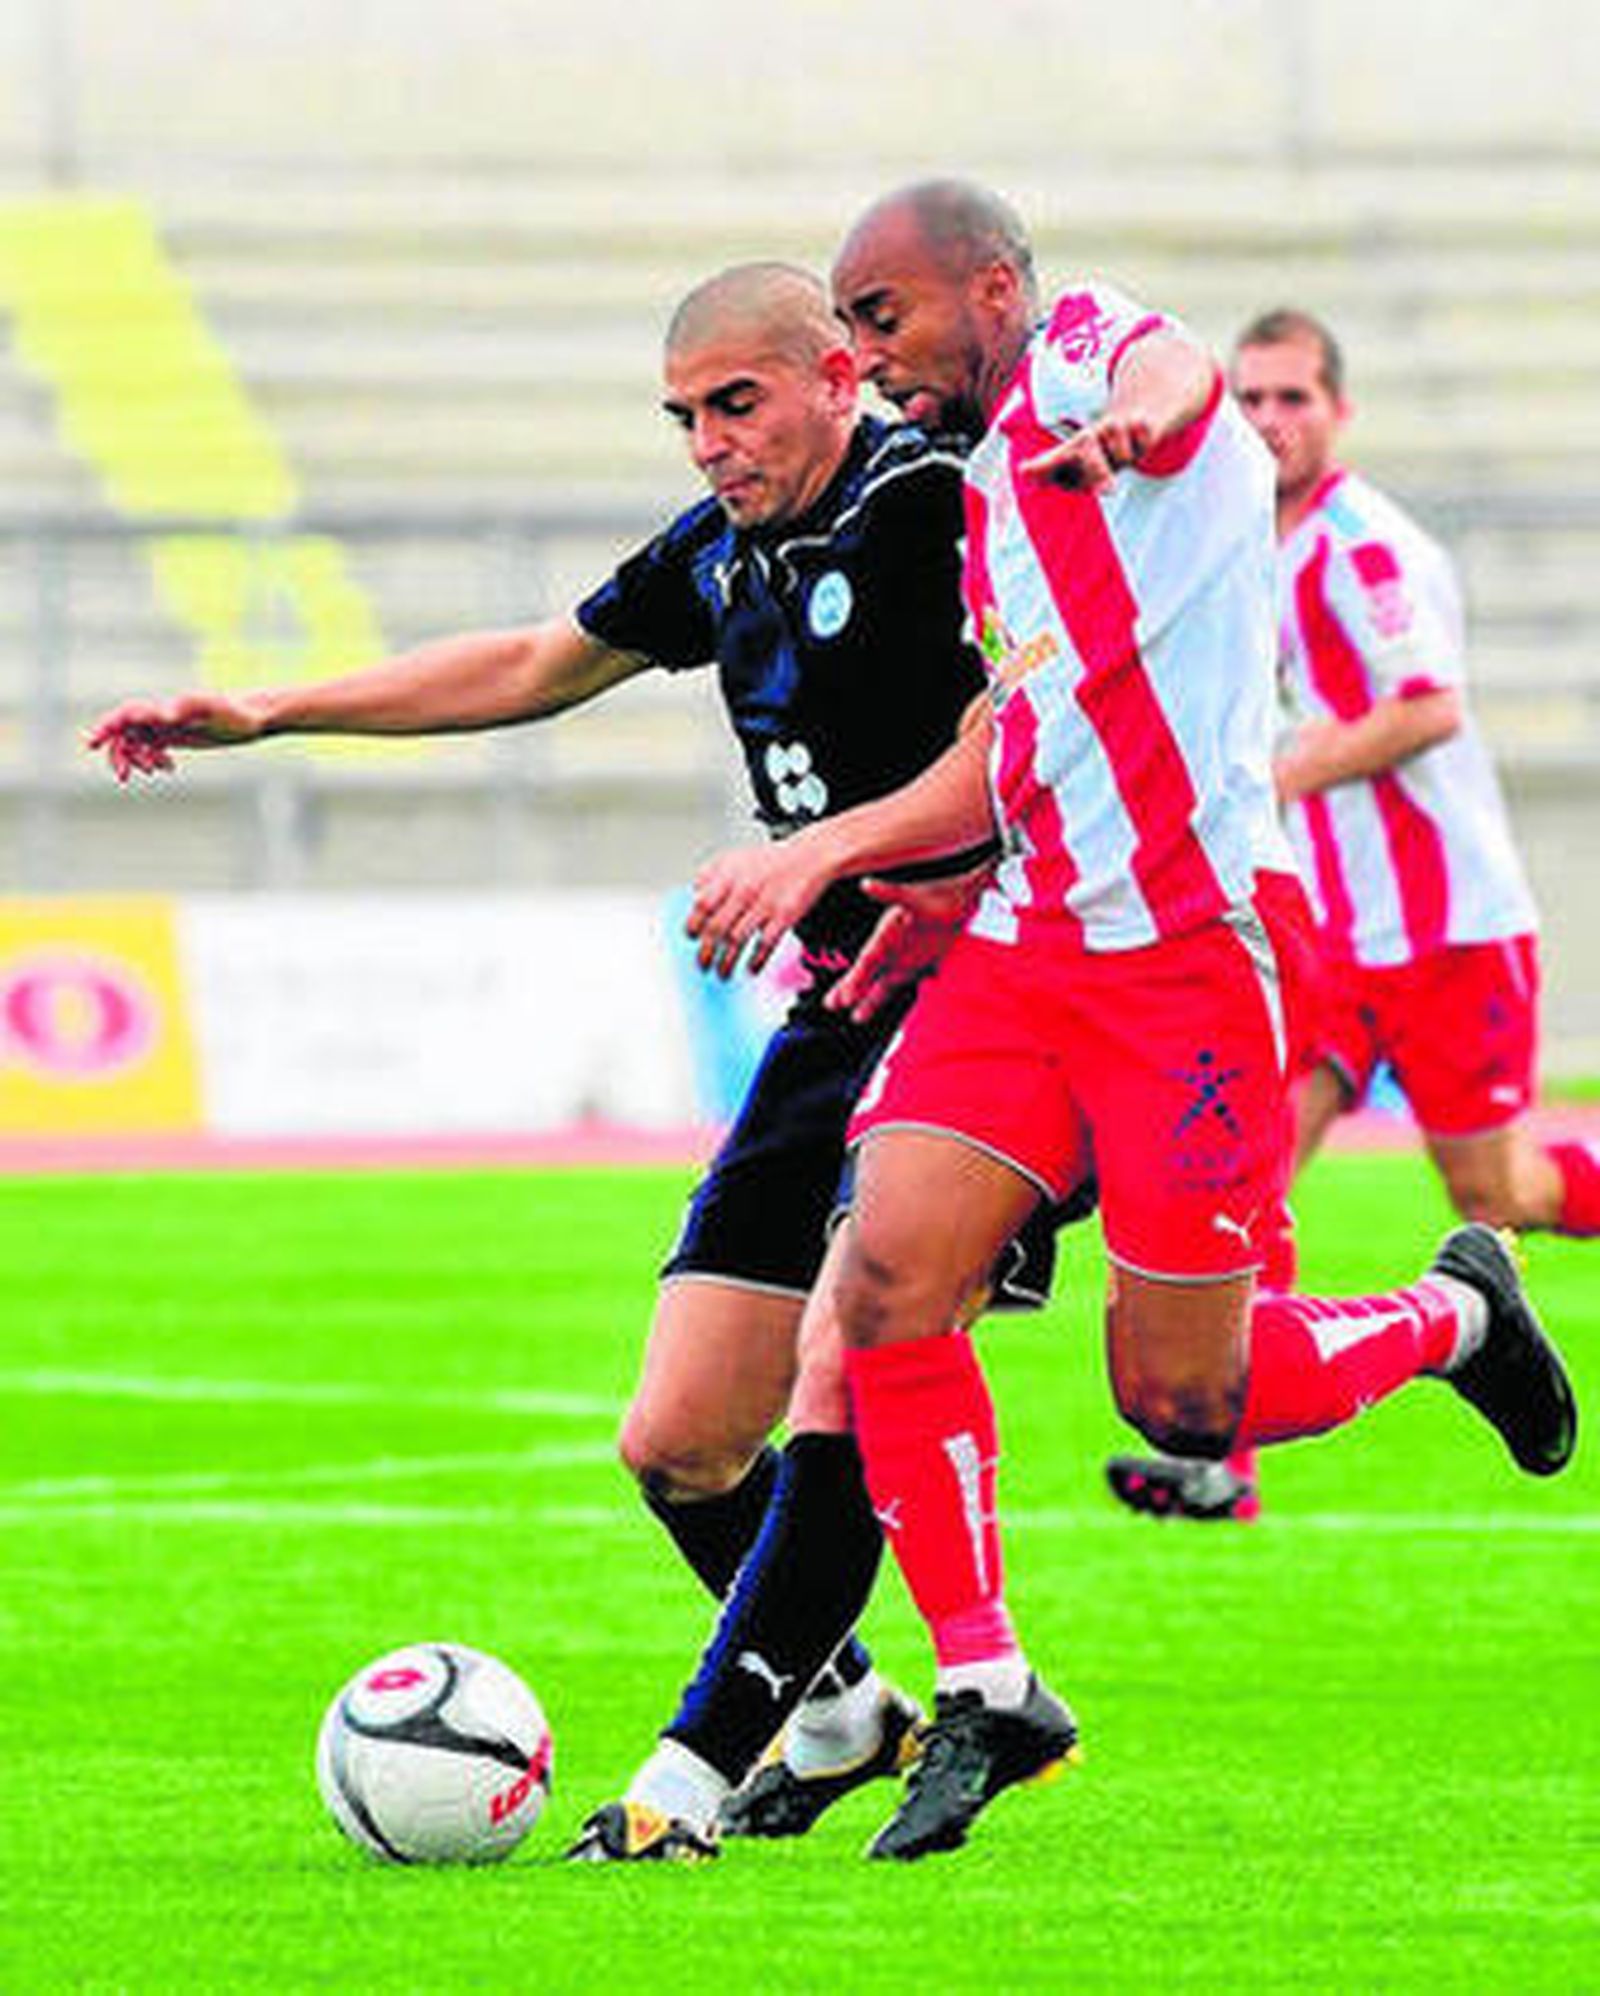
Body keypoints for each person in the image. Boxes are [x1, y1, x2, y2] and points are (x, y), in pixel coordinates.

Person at [87, 260, 1075, 1859]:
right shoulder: (727, 551)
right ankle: (838, 1712)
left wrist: (838, 848)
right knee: (680, 1442)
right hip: (836, 1000)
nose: (707, 444)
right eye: (683, 417)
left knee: (852, 1365)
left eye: (735, 404)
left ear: (838, 373)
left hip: (990, 1005)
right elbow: (537, 665)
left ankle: (681, 1791)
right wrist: (270, 711)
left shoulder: (938, 507)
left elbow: (1037, 723)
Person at [684, 182, 1578, 1862]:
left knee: (1188, 1403)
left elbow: (1169, 374)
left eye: (883, 321)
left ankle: (1458, 1316)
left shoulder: (1087, 359)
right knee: (883, 1282)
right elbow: (1024, 733)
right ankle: (990, 1685)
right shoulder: (969, 499)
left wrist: (1133, 431)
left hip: (1188, 963)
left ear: (994, 289)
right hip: (1024, 948)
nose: (867, 362)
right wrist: (918, 883)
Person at [1106, 307, 1600, 1525]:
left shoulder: (1367, 548)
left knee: (1498, 1190)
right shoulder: (1248, 543)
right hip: (1329, 932)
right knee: (1252, 1157)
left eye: (1294, 399)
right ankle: (1221, 1454)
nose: (1271, 421)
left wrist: (1274, 770)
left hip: (1445, 930)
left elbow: (1427, 704)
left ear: (1339, 412)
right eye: (1252, 400)